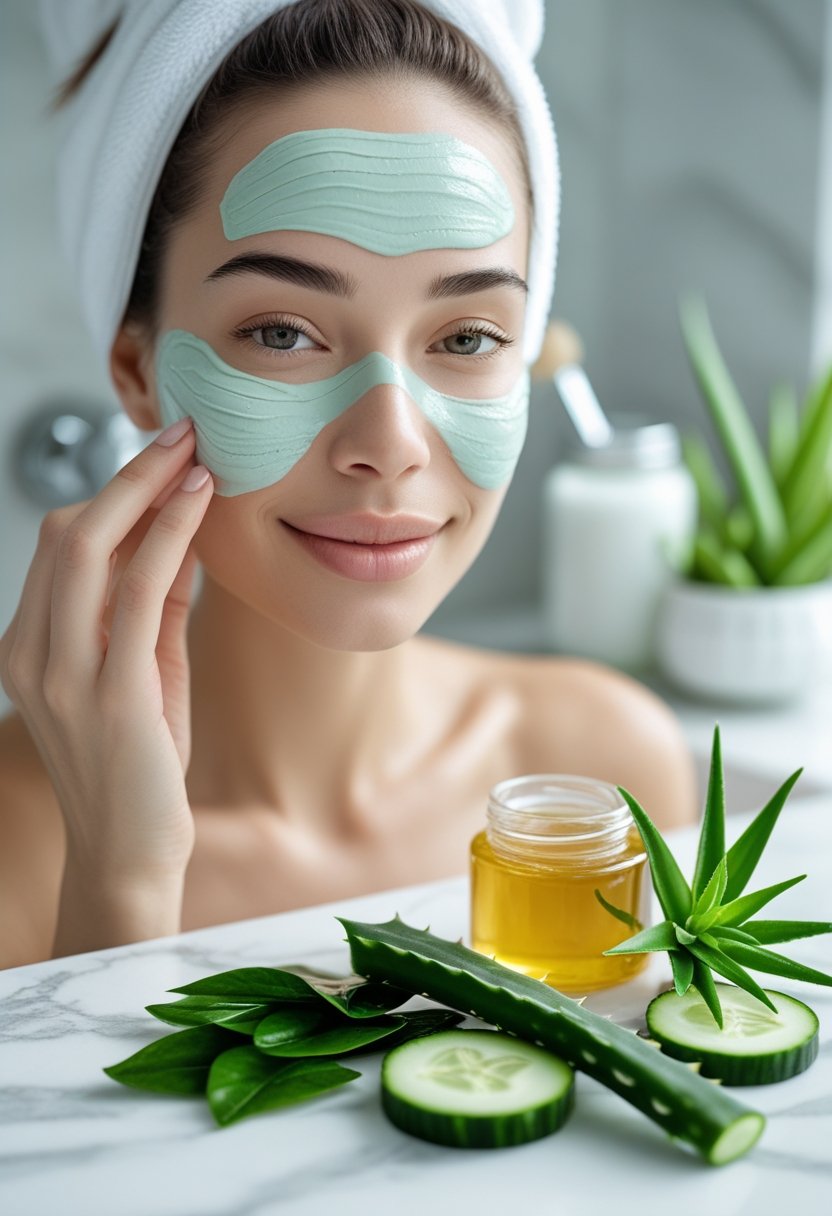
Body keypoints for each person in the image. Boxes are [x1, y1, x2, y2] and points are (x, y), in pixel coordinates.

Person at [0, 0, 697, 970]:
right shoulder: (17, 852)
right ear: (134, 366)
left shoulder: (599, 771)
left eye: (466, 338)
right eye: (283, 332)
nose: (391, 443)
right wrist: (118, 883)